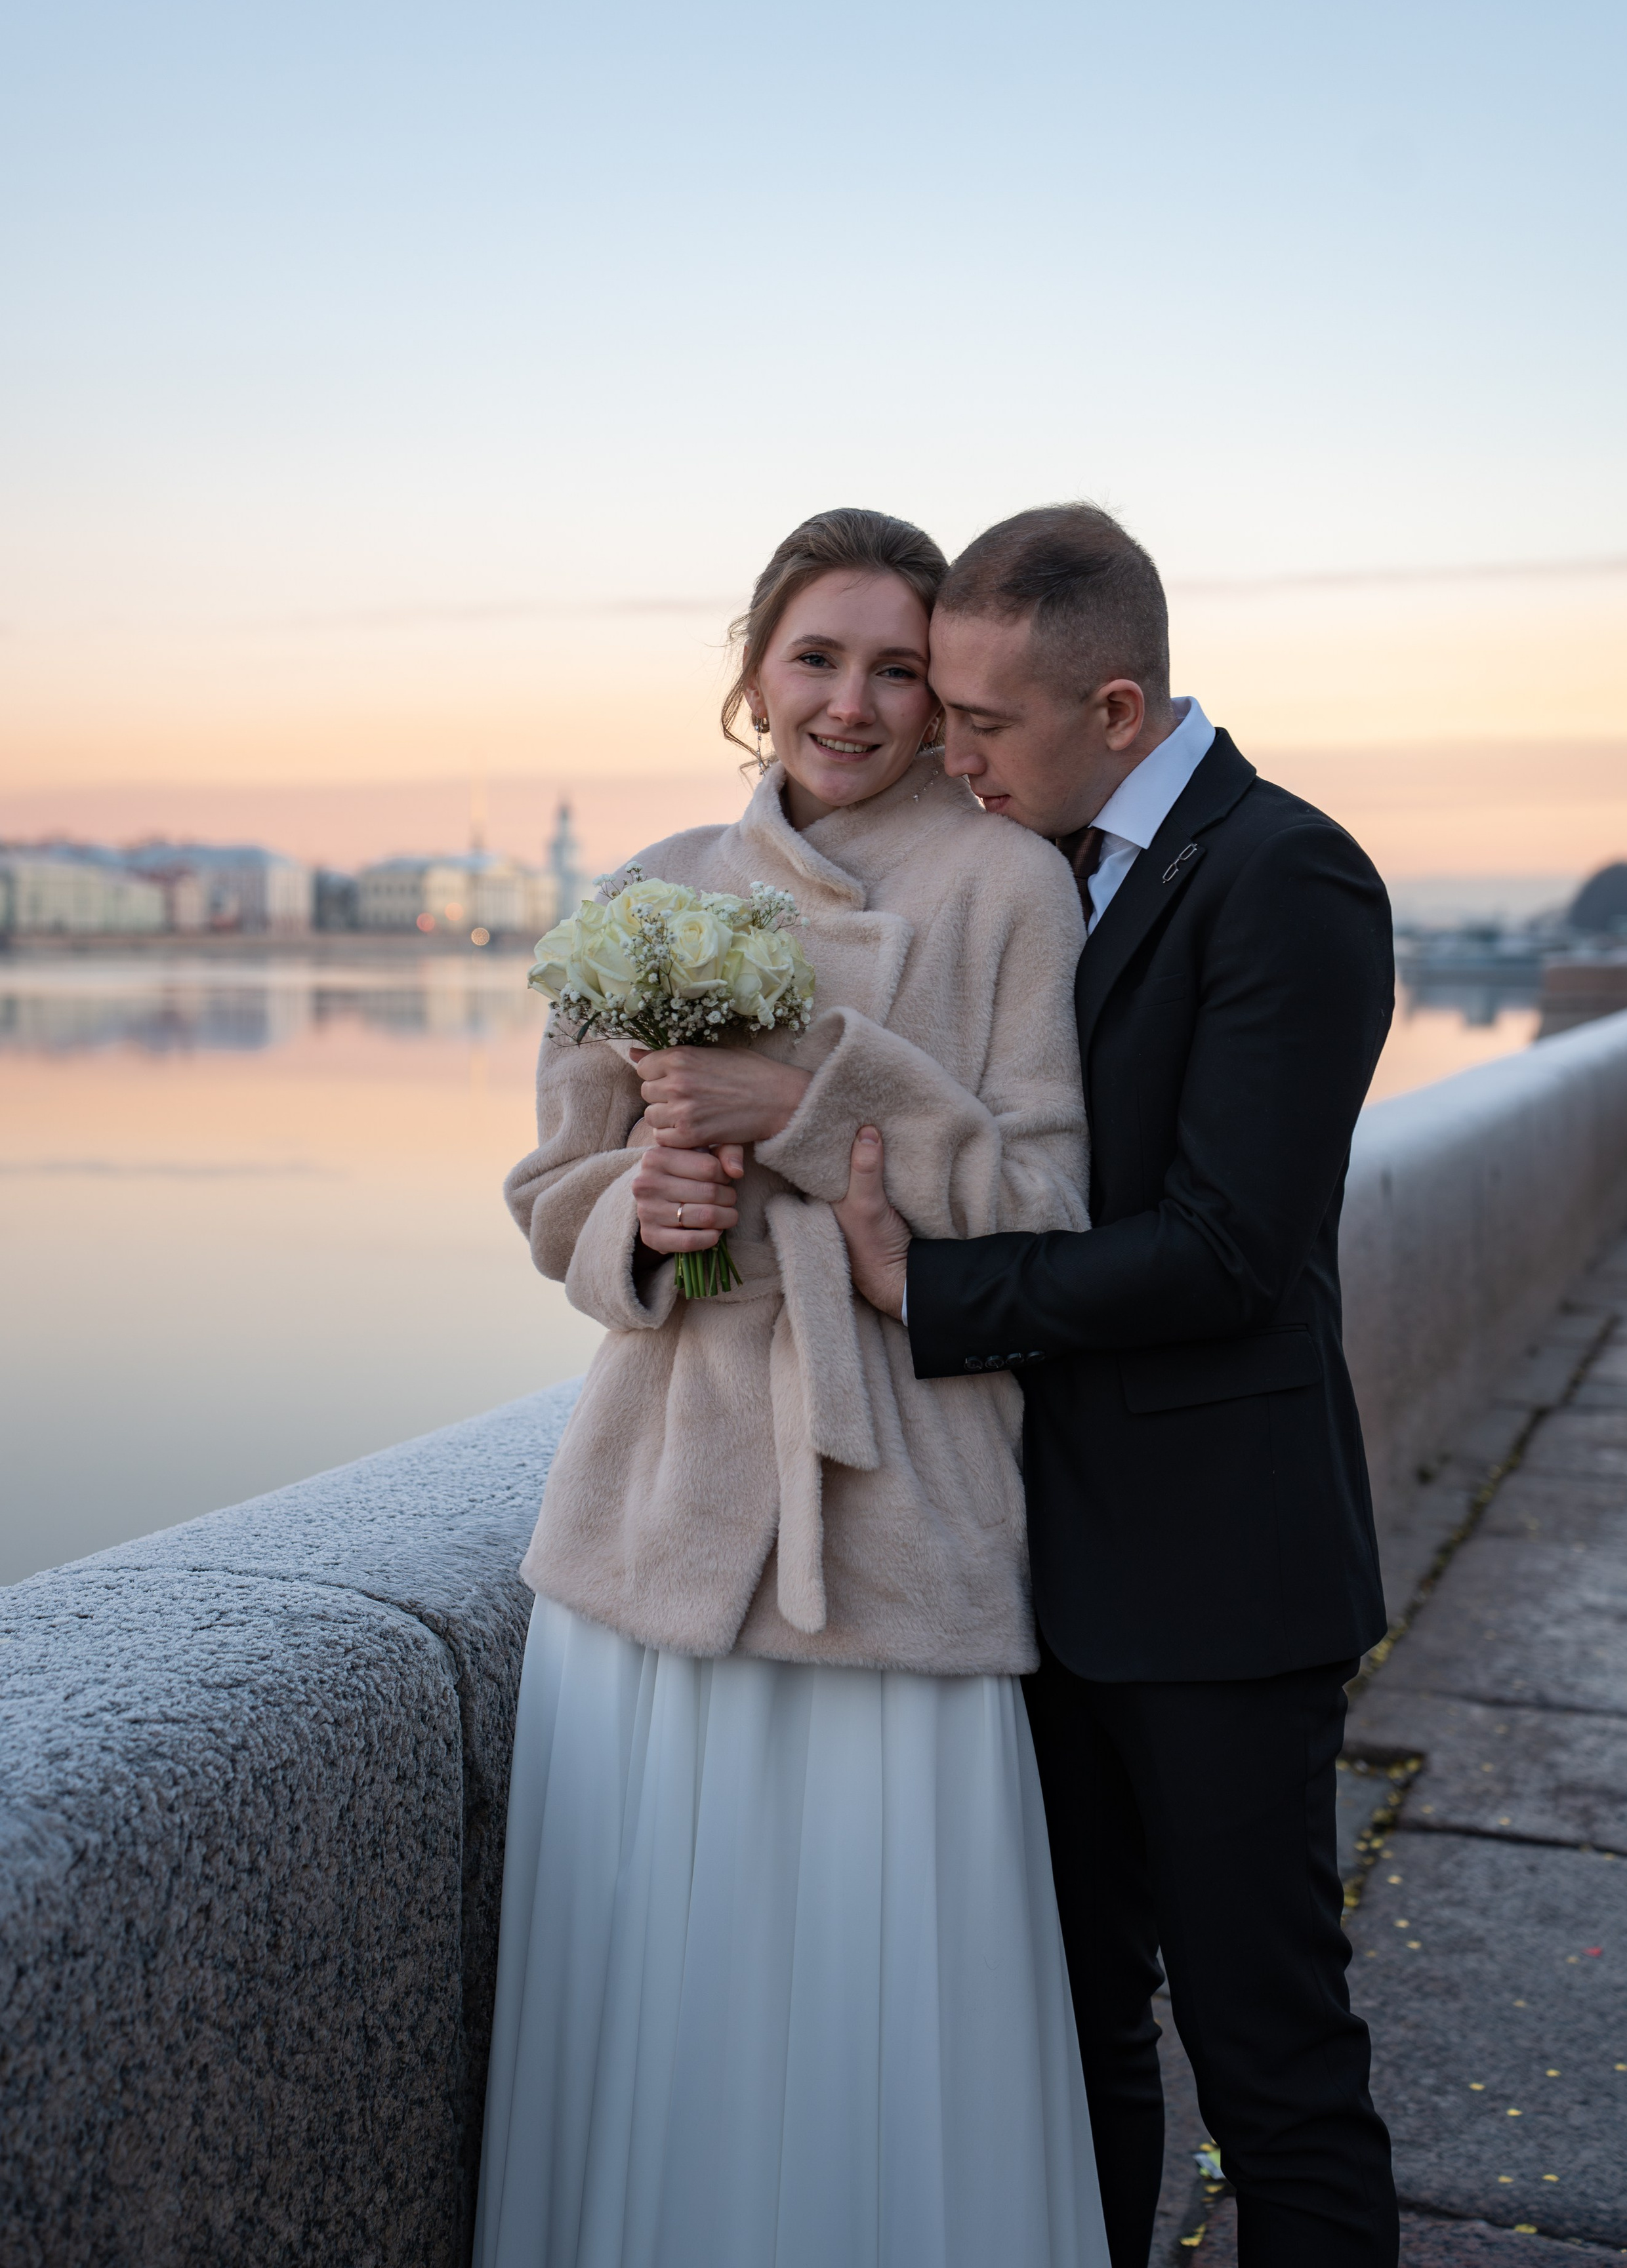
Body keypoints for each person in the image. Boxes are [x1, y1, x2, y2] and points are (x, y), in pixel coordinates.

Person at [474, 508, 1111, 2268]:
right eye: (816, 658)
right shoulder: (654, 885)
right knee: (664, 1972)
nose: (852, 703)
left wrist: (819, 1099)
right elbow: (550, 1195)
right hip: (661, 1506)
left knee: (871, 1976)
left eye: (898, 668)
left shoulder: (1006, 885)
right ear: (755, 672)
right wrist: (641, 1214)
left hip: (890, 1504)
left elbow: (1044, 1209)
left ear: (941, 692)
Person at [833, 504, 1401, 2268]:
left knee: (1274, 2063)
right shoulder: (1041, 859)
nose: (955, 754)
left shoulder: (1288, 875)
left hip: (1225, 1585)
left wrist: (932, 1289)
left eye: (986, 726)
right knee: (1073, 2043)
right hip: (1051, 1572)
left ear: (1125, 710)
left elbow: (1232, 1251)